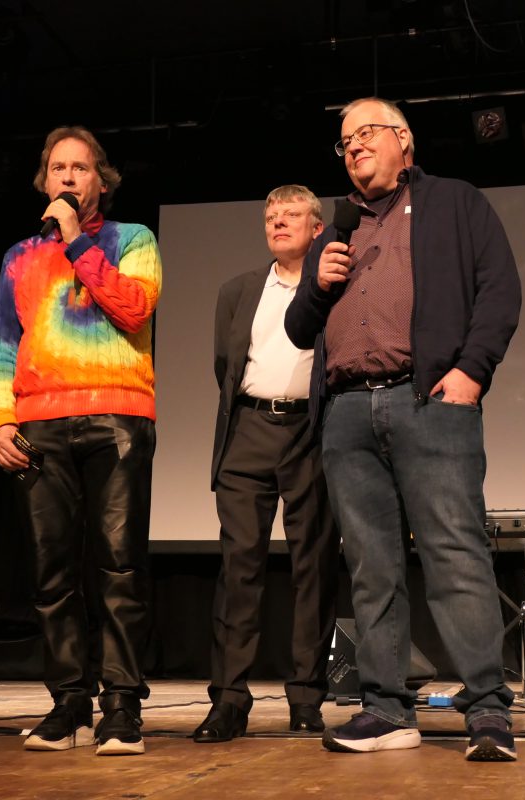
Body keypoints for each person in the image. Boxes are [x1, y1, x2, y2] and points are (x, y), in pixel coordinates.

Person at [284, 98, 522, 761]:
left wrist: (471, 372)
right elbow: (298, 329)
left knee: (455, 556)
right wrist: (316, 284)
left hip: (429, 401)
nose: (354, 146)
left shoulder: (454, 202)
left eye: (366, 132)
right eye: (345, 140)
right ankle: (386, 709)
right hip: (347, 412)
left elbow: (500, 289)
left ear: (404, 141)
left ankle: (488, 711)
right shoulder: (335, 230)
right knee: (371, 569)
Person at [0, 125, 161, 756]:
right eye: (57, 167)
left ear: (100, 182)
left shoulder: (132, 239)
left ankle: (121, 705)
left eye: (79, 168)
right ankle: (68, 702)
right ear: (44, 181)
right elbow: (2, 345)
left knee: (119, 566)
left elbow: (134, 308)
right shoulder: (19, 256)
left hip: (117, 417)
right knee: (51, 571)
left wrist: (78, 242)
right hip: (39, 424)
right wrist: (0, 419)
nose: (66, 176)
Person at [192, 185, 340, 743]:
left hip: (310, 432)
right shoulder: (237, 291)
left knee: (313, 568)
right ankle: (229, 700)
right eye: (271, 216)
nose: (278, 223)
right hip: (248, 431)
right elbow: (225, 365)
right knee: (239, 569)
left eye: (291, 214)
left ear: (317, 228)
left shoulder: (334, 285)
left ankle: (306, 697)